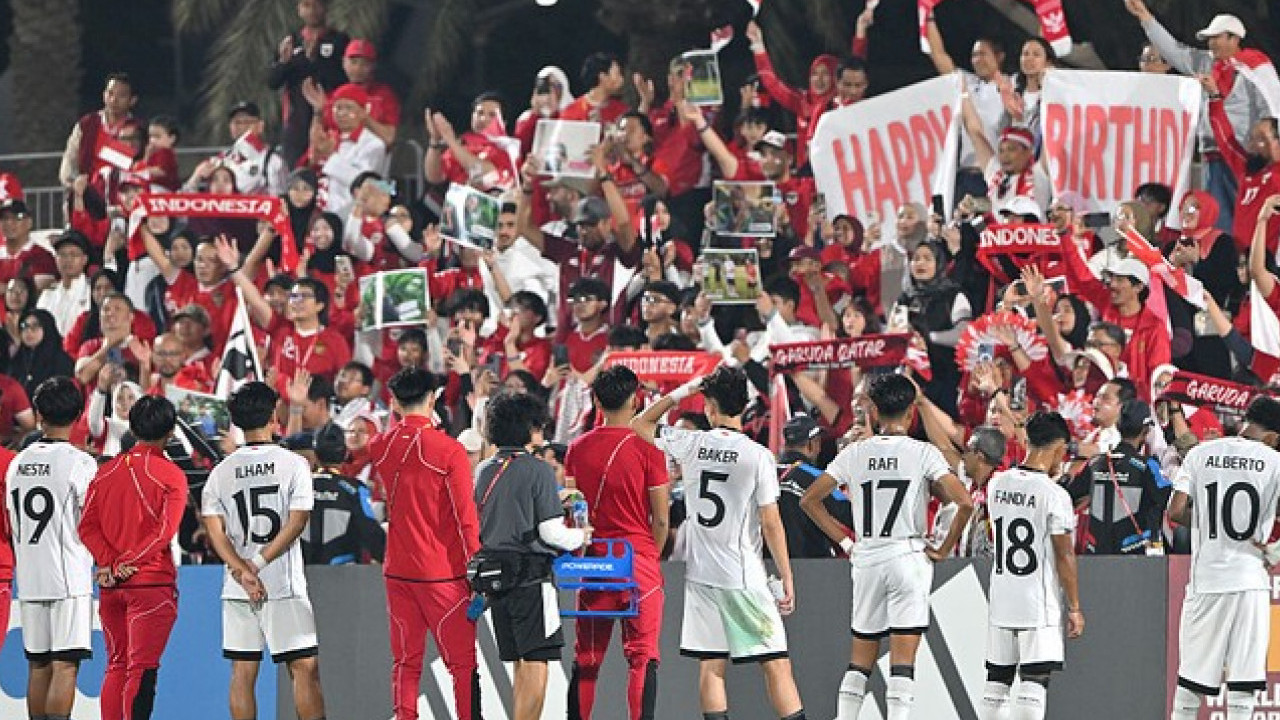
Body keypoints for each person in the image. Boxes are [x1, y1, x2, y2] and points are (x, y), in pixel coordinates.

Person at [632, 365, 809, 720]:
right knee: (776, 665)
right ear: (744, 407)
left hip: (702, 576)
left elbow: (640, 424)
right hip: (743, 576)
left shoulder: (692, 443)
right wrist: (787, 575)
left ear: (709, 407)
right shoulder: (758, 455)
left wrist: (687, 389)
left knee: (712, 666)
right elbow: (771, 523)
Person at [800, 373, 974, 720]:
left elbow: (810, 500)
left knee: (859, 660)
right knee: (903, 663)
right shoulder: (923, 453)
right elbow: (965, 502)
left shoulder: (855, 454)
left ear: (874, 412)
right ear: (912, 413)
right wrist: (943, 547)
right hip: (907, 555)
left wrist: (847, 541)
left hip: (867, 556)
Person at [201, 381, 326, 720]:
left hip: (238, 586)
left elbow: (215, 531)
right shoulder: (295, 464)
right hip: (281, 584)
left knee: (243, 674)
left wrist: (242, 571)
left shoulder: (220, 472)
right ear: (274, 416)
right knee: (303, 668)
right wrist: (256, 565)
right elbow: (297, 522)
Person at [368, 368, 481, 720]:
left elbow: (394, 434)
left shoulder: (380, 447)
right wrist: (476, 568)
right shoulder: (449, 450)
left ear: (395, 401)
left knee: (405, 662)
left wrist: (397, 416)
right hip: (443, 574)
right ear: (432, 399)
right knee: (462, 665)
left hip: (399, 571)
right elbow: (466, 518)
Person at [475, 391, 591, 720]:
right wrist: (581, 535)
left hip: (496, 579)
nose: (541, 432)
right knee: (537, 662)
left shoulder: (484, 469)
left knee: (519, 665)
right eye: (537, 426)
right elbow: (551, 533)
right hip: (531, 578)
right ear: (526, 428)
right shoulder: (537, 469)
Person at [563, 365, 671, 720]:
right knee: (642, 657)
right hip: (638, 560)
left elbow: (574, 510)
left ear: (596, 399)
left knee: (587, 659)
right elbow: (661, 519)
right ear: (635, 399)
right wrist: (650, 554)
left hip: (595, 561)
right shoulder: (649, 451)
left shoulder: (576, 449)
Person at [1167, 395, 1280, 720]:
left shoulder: (1202, 453)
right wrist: (1272, 549)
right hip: (1249, 583)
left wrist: (1207, 519)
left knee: (1189, 685)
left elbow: (1175, 511)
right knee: (1243, 689)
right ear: (1273, 436)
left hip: (1206, 582)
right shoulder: (1274, 461)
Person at [78, 395, 186, 720]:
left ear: (134, 427)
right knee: (141, 670)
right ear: (170, 431)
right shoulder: (171, 475)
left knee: (116, 665)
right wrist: (129, 563)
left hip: (112, 586)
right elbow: (164, 533)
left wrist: (110, 563)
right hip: (150, 585)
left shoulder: (105, 472)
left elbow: (87, 527)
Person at [979, 411, 1084, 720]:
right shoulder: (1055, 495)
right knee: (1035, 681)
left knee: (997, 682)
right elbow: (1064, 555)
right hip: (1037, 601)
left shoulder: (997, 484)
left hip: (1001, 595)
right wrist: (1075, 606)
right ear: (1059, 447)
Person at [5, 376, 98, 720]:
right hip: (68, 577)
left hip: (29, 577)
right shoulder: (80, 463)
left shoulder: (17, 463)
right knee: (65, 666)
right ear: (77, 416)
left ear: (39, 415)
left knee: (38, 666)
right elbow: (92, 520)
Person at [1069, 400, 1170, 555]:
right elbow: (1169, 500)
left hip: (1096, 554)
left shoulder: (1094, 463)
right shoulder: (1148, 466)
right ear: (1146, 431)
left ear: (1117, 426)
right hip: (1136, 557)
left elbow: (1068, 495)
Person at [267, 0, 350, 166]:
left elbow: (344, 80)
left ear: (325, 8)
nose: (312, 10)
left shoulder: (339, 40)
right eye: (306, 5)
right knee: (296, 175)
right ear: (298, 9)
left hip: (329, 121)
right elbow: (273, 82)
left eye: (316, 5)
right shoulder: (291, 41)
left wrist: (315, 60)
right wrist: (284, 61)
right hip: (296, 121)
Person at [300, 422, 385, 565]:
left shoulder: (296, 488)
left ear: (315, 455)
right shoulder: (356, 490)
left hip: (300, 575)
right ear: (345, 454)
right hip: (342, 576)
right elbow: (372, 534)